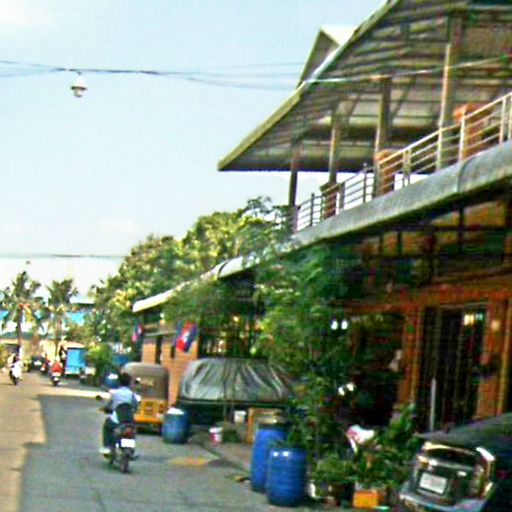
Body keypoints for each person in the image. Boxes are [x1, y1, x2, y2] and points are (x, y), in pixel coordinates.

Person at [100, 372, 139, 455]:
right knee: (132, 431)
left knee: (107, 426)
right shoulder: (131, 394)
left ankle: (107, 446)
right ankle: (131, 449)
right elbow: (135, 405)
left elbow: (109, 404)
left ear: (119, 382)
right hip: (129, 420)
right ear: (129, 382)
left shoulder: (115, 393)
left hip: (117, 420)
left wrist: (105, 408)